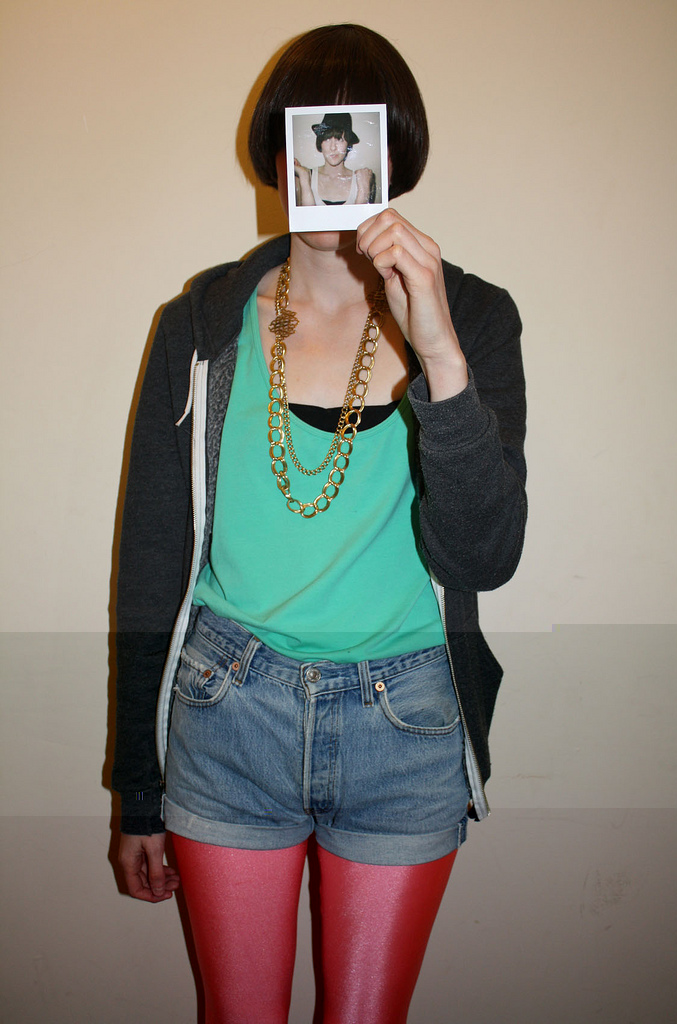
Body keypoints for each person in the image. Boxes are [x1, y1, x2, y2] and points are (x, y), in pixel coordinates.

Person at [114, 22, 526, 1024]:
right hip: (227, 709)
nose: (332, 161)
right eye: (311, 137)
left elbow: (484, 554)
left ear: (393, 153)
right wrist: (136, 785)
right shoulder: (199, 324)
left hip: (406, 721)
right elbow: (150, 561)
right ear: (279, 152)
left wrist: (438, 353)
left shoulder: (474, 318)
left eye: (354, 138)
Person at [294, 111, 376, 205]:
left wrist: (364, 189)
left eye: (339, 139)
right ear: (320, 143)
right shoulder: (303, 177)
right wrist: (303, 176)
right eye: (327, 139)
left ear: (348, 144)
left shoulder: (363, 179)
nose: (333, 147)